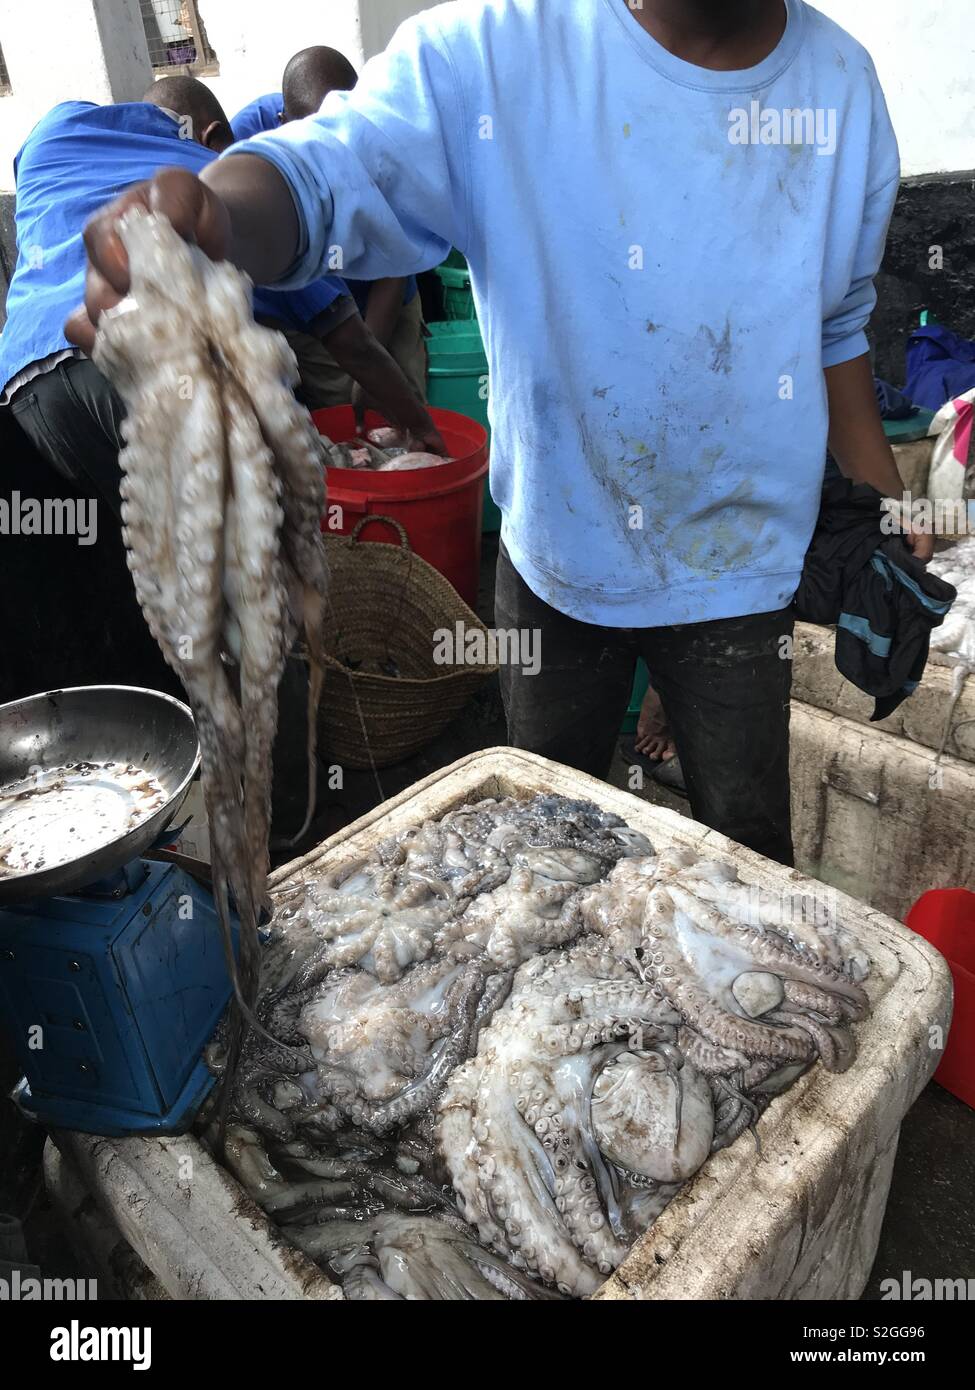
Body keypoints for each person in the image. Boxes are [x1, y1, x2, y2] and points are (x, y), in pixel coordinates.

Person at [73, 0, 935, 867]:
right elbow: (329, 174)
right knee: (544, 855)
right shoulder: (493, 52)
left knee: (745, 856)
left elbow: (835, 328)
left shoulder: (839, 87)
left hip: (743, 577)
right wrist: (216, 220)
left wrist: (886, 516)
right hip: (559, 559)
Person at [2, 74, 440, 511]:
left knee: (122, 549)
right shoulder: (211, 185)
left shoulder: (56, 128)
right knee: (228, 550)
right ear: (211, 137)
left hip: (24, 385)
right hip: (142, 378)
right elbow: (351, 341)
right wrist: (418, 423)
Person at [231, 47, 428, 407]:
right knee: (345, 416)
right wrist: (358, 362)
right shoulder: (246, 142)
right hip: (310, 302)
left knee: (409, 407)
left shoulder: (379, 130)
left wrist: (374, 360)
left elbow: (394, 264)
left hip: (388, 286)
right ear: (283, 122)